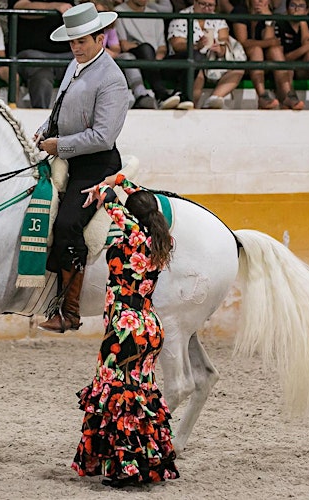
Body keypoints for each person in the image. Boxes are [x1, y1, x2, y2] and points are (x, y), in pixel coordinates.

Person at [72, 174, 179, 488]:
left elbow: (111, 203)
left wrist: (103, 187)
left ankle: (125, 469)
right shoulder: (162, 239)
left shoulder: (133, 234)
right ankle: (146, 463)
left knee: (118, 396)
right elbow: (142, 199)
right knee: (140, 396)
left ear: (134, 215)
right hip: (149, 325)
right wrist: (120, 179)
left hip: (124, 328)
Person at [34, 3, 130, 333]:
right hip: (68, 158)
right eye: (73, 41)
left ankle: (70, 310)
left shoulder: (113, 80)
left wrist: (59, 145)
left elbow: (103, 136)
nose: (75, 47)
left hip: (96, 166)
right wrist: (44, 130)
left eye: (82, 41)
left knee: (68, 223)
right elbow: (59, 111)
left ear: (100, 39)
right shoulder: (75, 66)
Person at [167, 0, 244, 109]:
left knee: (239, 69)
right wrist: (196, 46)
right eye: (203, 4)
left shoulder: (218, 19)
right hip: (191, 61)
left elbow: (224, 39)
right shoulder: (181, 18)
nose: (207, 8)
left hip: (213, 60)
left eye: (210, 5)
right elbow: (177, 45)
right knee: (197, 71)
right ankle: (191, 106)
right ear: (195, 2)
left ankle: (213, 99)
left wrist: (220, 49)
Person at [114, 0, 179, 109]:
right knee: (146, 48)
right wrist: (146, 51)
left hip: (155, 60)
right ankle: (161, 94)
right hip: (136, 55)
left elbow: (162, 47)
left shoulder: (154, 14)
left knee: (190, 58)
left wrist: (155, 59)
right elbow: (124, 45)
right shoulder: (119, 12)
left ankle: (181, 96)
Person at [11, 0, 74, 108]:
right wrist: (55, 5)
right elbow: (19, 6)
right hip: (34, 53)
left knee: (89, 65)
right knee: (42, 74)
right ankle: (41, 115)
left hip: (69, 53)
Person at [231, 0, 285, 109]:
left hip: (261, 63)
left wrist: (268, 20)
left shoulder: (267, 13)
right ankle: (262, 96)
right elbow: (243, 42)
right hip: (240, 59)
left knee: (275, 51)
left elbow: (270, 42)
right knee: (256, 50)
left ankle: (288, 95)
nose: (260, 1)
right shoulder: (240, 11)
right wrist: (268, 43)